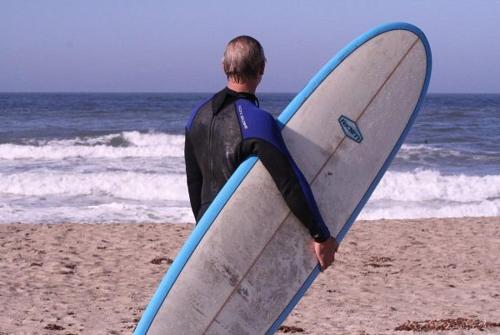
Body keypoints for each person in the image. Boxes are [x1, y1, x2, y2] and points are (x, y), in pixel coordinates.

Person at [184, 35, 338, 271]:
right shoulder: (257, 121)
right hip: (244, 237)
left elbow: (194, 181)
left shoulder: (196, 115)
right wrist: (320, 235)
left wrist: (202, 230)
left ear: (224, 66)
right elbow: (289, 182)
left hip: (207, 233)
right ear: (262, 68)